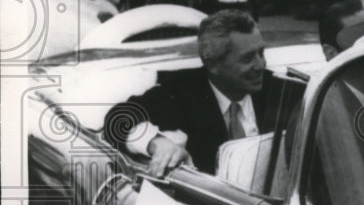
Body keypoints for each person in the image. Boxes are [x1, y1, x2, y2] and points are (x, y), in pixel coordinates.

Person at [104, 10, 274, 176]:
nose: (261, 65)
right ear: (213, 64)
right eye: (247, 58)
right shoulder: (182, 91)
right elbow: (117, 118)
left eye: (261, 53)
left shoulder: (282, 90)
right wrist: (157, 143)